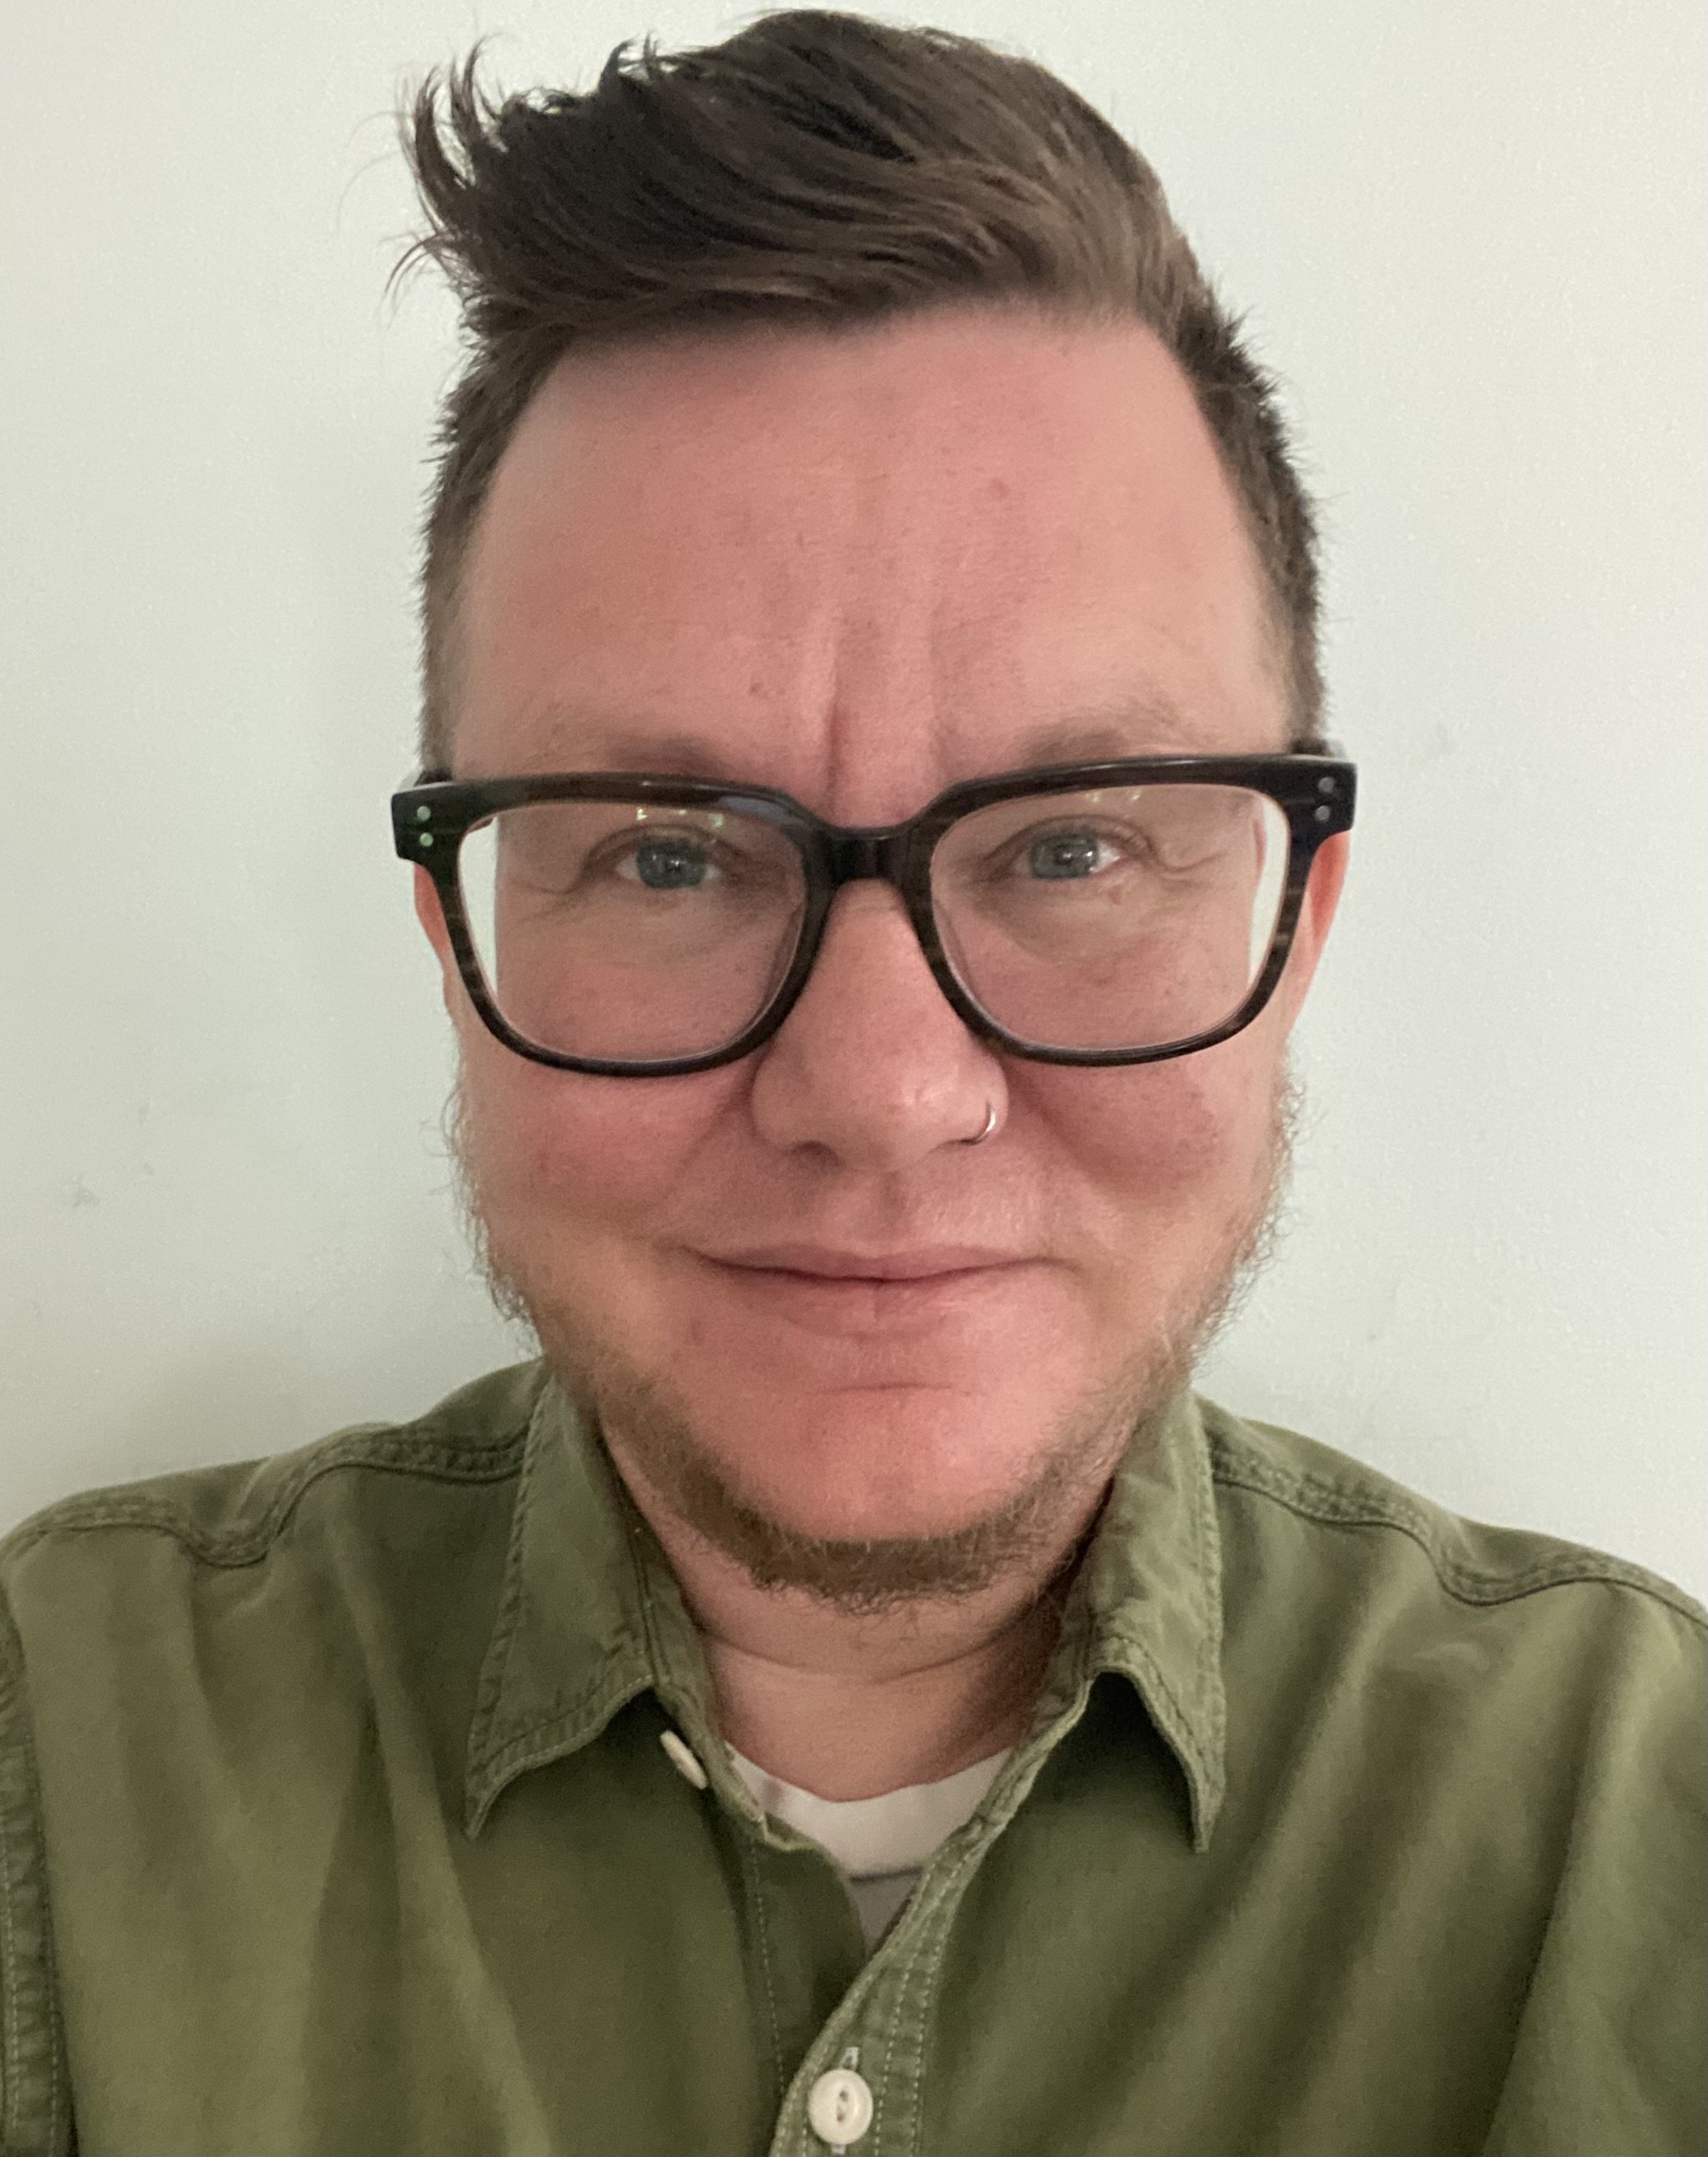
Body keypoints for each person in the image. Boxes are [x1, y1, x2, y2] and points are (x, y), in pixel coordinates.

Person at [0, 12, 1701, 2155]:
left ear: (1300, 929)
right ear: (460, 942)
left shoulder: (1646, 1835)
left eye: (1076, 845)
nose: (885, 1095)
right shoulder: (55, 1763)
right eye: (671, 855)